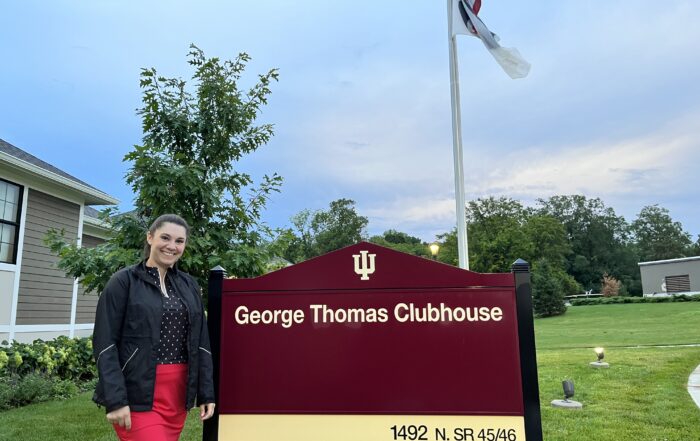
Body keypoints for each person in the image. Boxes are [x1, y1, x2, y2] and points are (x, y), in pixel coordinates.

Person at [92, 214, 216, 440]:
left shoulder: (189, 285)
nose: (172, 246)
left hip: (177, 396)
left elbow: (202, 342)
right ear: (150, 237)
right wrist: (116, 399)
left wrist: (206, 392)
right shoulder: (123, 282)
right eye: (165, 238)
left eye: (179, 241)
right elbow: (104, 342)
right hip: (137, 393)